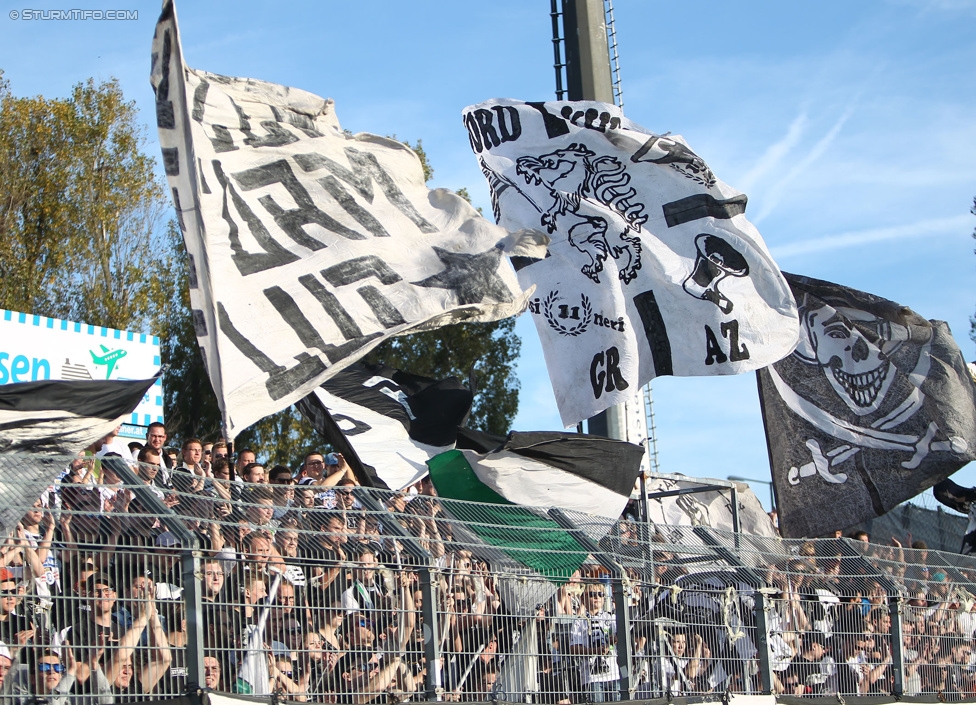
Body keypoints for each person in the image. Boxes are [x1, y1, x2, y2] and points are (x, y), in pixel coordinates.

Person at [570, 584, 619, 701]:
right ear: (583, 598)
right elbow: (574, 648)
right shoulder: (580, 622)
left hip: (613, 673)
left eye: (600, 594)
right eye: (592, 594)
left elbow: (620, 638)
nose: (597, 597)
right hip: (592, 677)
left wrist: (614, 640)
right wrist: (595, 651)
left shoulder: (610, 617)